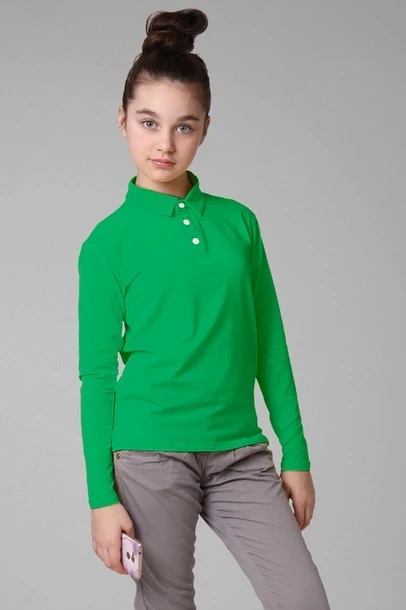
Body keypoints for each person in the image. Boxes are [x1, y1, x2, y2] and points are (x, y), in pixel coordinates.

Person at [77, 7, 331, 610]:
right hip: (150, 455)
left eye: (184, 126)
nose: (164, 144)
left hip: (239, 451)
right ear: (122, 120)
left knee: (303, 600)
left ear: (205, 129)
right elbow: (97, 377)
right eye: (148, 122)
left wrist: (296, 454)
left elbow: (269, 343)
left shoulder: (239, 224)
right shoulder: (108, 243)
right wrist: (100, 499)